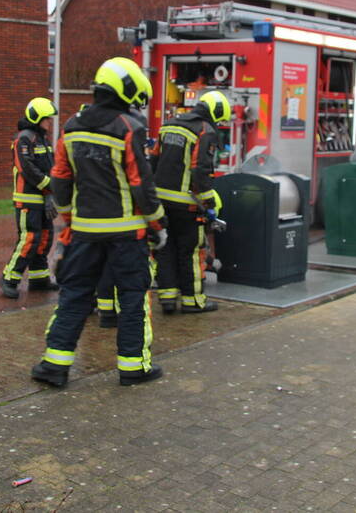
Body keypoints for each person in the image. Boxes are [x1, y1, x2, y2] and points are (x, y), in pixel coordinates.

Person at [31, 57, 167, 388]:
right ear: (127, 89)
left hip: (84, 233)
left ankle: (54, 366)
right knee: (133, 297)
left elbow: (60, 177)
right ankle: (133, 367)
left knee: (75, 295)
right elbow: (141, 184)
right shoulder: (129, 127)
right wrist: (158, 224)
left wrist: (68, 218)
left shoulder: (72, 126)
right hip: (126, 234)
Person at [152, 90, 229, 314]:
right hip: (187, 204)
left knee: (165, 248)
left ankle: (167, 299)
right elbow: (200, 170)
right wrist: (209, 204)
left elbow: (153, 160)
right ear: (215, 112)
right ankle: (193, 301)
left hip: (161, 202)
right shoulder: (205, 131)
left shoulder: (168, 125)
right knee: (192, 252)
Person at [0, 97, 58, 298]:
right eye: (47, 119)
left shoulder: (43, 139)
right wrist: (48, 185)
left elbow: (51, 166)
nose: (50, 123)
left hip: (44, 199)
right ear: (37, 118)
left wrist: (52, 192)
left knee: (44, 239)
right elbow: (27, 168)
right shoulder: (23, 138)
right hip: (28, 200)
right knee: (29, 239)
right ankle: (9, 279)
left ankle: (39, 279)